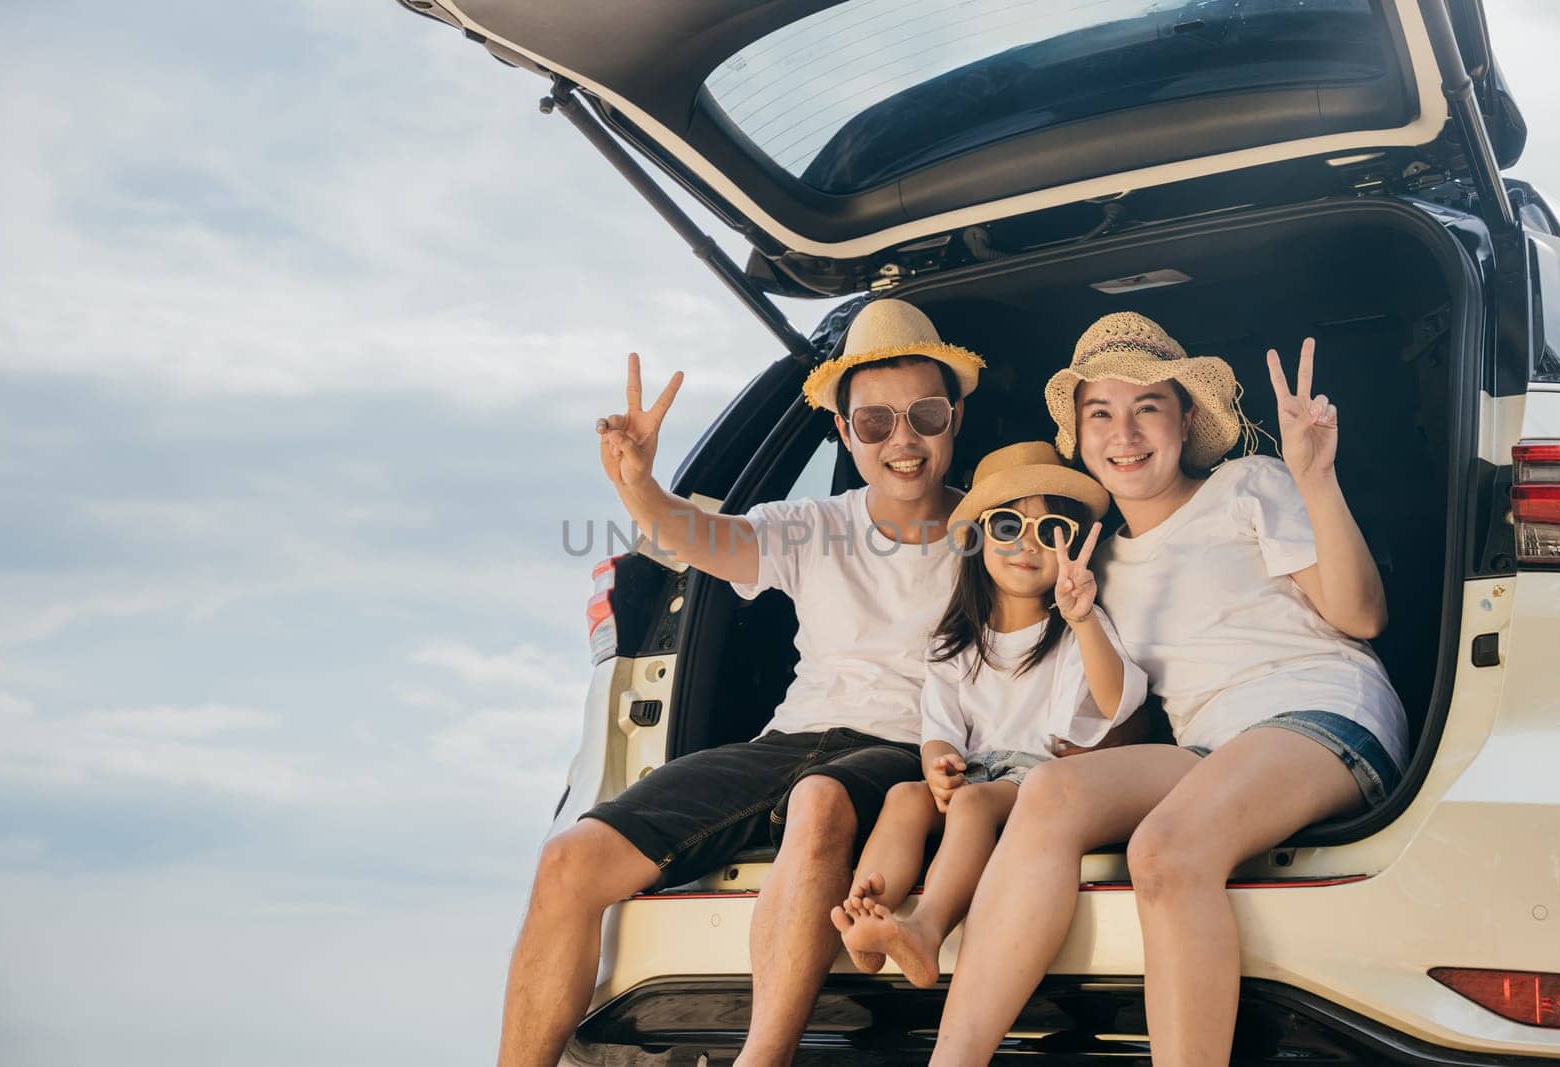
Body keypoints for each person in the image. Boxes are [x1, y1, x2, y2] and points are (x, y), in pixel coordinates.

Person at [494, 299, 988, 1067]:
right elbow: (705, 540)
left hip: (907, 747)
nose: (903, 440)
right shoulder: (815, 523)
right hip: (790, 741)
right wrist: (638, 486)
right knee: (568, 861)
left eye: (924, 414)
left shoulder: (995, 532)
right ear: (842, 430)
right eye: (874, 423)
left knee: (818, 802)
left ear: (955, 414)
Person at [928, 312, 1409, 1066]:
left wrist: (1316, 479)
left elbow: (1362, 614)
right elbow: (1118, 727)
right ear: (1079, 436)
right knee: (1049, 791)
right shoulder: (1095, 562)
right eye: (1101, 413)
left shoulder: (1249, 483)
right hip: (1206, 748)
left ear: (1186, 419)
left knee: (1165, 847)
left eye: (1146, 406)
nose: (1124, 432)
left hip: (1322, 711)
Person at [829, 441, 1147, 989]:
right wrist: (938, 764)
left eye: (1052, 533)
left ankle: (926, 932)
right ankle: (869, 910)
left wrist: (1084, 618)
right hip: (976, 770)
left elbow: (1115, 700)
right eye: (1007, 526)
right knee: (905, 796)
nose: (1028, 544)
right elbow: (939, 728)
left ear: (1073, 548)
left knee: (972, 804)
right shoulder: (954, 644)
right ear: (975, 540)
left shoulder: (1077, 630)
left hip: (1039, 779)